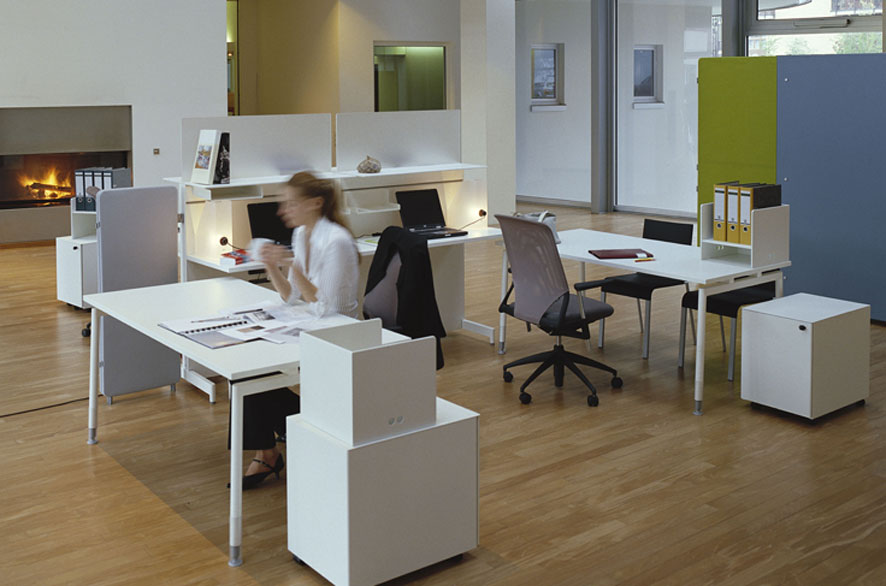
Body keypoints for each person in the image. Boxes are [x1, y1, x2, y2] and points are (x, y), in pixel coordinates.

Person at [232, 171, 359, 489]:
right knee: (247, 363)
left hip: (338, 333)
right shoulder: (302, 234)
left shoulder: (337, 241)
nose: (282, 211)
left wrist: (291, 264)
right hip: (312, 324)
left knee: (255, 373)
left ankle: (288, 441)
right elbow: (291, 296)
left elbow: (326, 305)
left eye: (290, 203)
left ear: (315, 203)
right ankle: (268, 450)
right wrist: (272, 266)